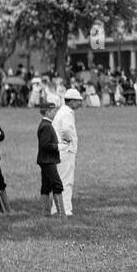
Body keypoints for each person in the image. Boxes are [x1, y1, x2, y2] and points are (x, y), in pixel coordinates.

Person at [52, 87, 81, 216]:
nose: (79, 103)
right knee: (66, 180)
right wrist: (69, 143)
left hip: (60, 149)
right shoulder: (67, 113)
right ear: (72, 101)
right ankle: (65, 209)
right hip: (66, 150)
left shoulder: (62, 111)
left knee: (62, 179)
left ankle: (58, 207)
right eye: (78, 100)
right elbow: (66, 130)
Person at [36, 100, 64, 217]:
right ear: (47, 112)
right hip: (48, 160)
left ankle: (45, 213)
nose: (55, 113)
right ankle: (61, 214)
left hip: (45, 160)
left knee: (46, 186)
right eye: (53, 111)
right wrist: (59, 146)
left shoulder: (46, 124)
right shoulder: (46, 126)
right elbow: (45, 145)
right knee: (57, 184)